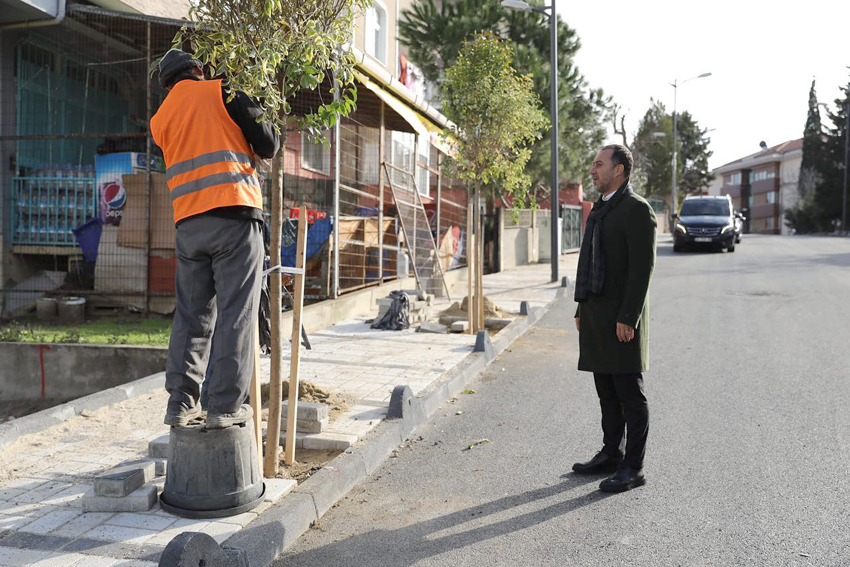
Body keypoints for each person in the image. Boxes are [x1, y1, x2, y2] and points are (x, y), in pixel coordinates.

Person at [150, 49, 279, 428]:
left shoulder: (160, 120)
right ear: (199, 71)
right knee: (236, 314)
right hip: (235, 216)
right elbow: (268, 143)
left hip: (189, 225)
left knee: (192, 317)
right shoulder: (224, 91)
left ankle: (180, 402)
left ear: (167, 84)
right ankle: (223, 407)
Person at [571, 144, 656, 493]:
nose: (593, 170)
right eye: (593, 165)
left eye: (599, 164)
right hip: (596, 314)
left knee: (628, 394)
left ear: (618, 170)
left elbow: (642, 269)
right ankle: (611, 452)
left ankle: (633, 467)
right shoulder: (600, 209)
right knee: (606, 391)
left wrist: (628, 316)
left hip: (622, 318)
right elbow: (588, 262)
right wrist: (581, 306)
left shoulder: (637, 210)